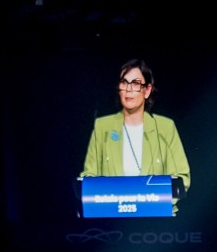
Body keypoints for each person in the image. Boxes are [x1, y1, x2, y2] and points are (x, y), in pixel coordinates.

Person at [80, 58, 190, 210]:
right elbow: (89, 178)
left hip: (156, 217)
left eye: (136, 83)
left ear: (147, 90)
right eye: (124, 82)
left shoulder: (165, 127)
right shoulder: (102, 127)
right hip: (112, 216)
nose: (128, 89)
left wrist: (152, 202)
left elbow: (182, 179)